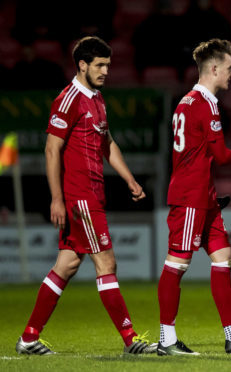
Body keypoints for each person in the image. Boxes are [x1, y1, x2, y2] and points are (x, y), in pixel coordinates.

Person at [15, 36, 157, 356]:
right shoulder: (68, 100)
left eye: (108, 64)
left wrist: (130, 179)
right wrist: (56, 198)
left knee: (66, 265)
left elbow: (108, 144)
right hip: (81, 197)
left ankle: (28, 338)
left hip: (94, 193)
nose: (106, 71)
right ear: (82, 65)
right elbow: (52, 149)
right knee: (107, 262)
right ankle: (131, 339)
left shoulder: (97, 98)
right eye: (100, 65)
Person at [157, 38, 231, 356]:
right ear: (215, 68)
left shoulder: (185, 102)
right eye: (230, 68)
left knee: (224, 258)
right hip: (191, 197)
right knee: (177, 264)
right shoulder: (205, 104)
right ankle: (166, 340)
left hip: (203, 196)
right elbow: (220, 156)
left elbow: (197, 155)